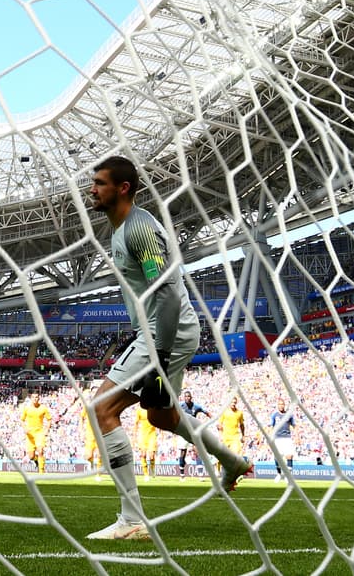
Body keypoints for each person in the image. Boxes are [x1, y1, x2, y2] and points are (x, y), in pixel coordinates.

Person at [84, 156, 253, 541]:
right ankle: (233, 462)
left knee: (101, 408)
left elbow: (168, 293)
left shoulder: (139, 228)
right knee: (161, 417)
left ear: (123, 188)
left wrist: (158, 351)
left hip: (165, 332)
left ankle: (131, 520)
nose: (92, 189)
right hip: (166, 330)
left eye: (100, 183)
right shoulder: (121, 229)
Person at [176, 391, 210, 480]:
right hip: (183, 432)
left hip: (193, 432)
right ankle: (182, 474)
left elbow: (206, 412)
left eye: (188, 396)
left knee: (198, 451)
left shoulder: (196, 406)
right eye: (185, 396)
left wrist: (214, 420)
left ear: (191, 398)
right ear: (184, 398)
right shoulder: (180, 405)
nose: (187, 398)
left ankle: (200, 475)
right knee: (183, 454)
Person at [20, 393, 52, 473]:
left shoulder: (43, 408)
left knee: (40, 450)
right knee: (31, 456)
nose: (35, 398)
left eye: (36, 397)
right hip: (30, 434)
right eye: (33, 397)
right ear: (31, 398)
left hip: (39, 433)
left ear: (39, 398)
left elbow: (49, 419)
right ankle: (36, 460)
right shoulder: (27, 408)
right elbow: (22, 420)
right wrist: (25, 428)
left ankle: (41, 471)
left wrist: (47, 429)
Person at [270, 398, 297, 481]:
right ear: (277, 406)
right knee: (277, 457)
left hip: (287, 438)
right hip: (277, 438)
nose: (281, 406)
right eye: (279, 404)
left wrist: (297, 436)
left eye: (282, 404)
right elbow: (271, 427)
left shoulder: (289, 415)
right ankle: (279, 474)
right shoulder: (274, 415)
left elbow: (294, 426)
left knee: (289, 456)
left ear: (284, 405)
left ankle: (288, 477)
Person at [219, 396, 245, 472]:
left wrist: (243, 435)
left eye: (235, 402)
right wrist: (220, 435)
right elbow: (220, 425)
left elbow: (242, 425)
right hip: (225, 436)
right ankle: (217, 467)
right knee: (222, 455)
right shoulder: (224, 412)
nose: (233, 404)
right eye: (232, 402)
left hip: (235, 437)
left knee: (236, 453)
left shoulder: (239, 413)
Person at [134, 406, 158, 480]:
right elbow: (136, 423)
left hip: (152, 434)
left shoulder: (153, 409)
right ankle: (146, 474)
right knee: (143, 455)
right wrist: (134, 436)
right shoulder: (139, 410)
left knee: (151, 456)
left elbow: (158, 421)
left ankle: (152, 469)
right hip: (143, 435)